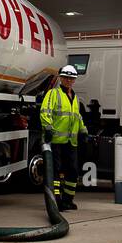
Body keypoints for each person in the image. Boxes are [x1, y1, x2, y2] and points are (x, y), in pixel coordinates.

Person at [40, 64, 86, 210]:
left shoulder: (75, 97)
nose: (69, 80)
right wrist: (47, 128)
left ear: (74, 80)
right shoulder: (53, 94)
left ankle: (68, 200)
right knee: (56, 171)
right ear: (61, 78)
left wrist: (83, 130)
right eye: (66, 78)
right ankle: (57, 200)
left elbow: (77, 117)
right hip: (56, 141)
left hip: (71, 142)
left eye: (71, 78)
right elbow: (45, 111)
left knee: (72, 170)